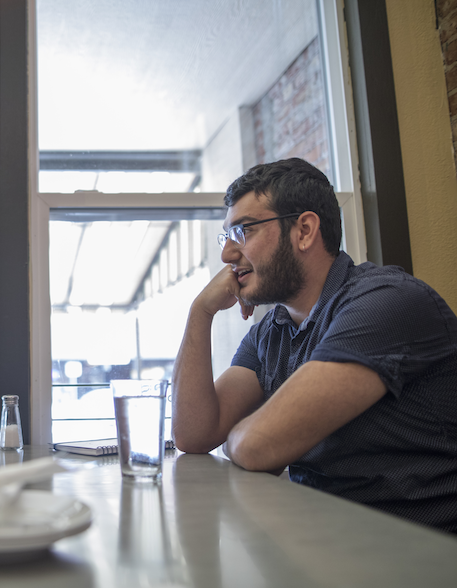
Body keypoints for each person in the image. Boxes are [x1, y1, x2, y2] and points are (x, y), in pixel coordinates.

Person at [172, 157, 457, 533]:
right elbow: (193, 434)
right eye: (227, 237)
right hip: (327, 543)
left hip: (421, 553)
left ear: (304, 230)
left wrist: (249, 436)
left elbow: (255, 446)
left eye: (244, 231)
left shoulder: (386, 302)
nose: (227, 254)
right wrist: (200, 312)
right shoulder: (271, 331)